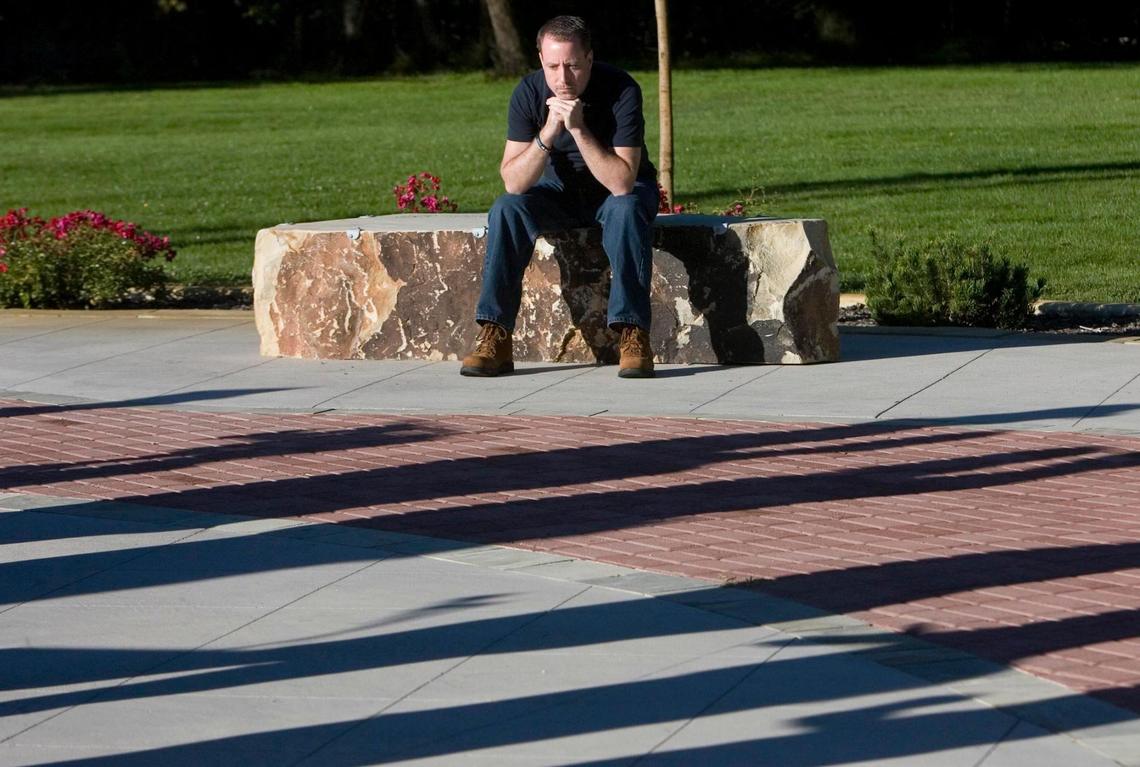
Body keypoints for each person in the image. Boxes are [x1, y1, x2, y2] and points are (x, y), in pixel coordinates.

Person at [461, 15, 659, 379]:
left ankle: (633, 334)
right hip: (557, 192)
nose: (563, 78)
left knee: (626, 209)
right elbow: (514, 182)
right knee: (507, 209)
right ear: (540, 60)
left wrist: (579, 128)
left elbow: (621, 182)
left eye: (572, 65)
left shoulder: (621, 89)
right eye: (553, 66)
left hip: (617, 190)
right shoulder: (529, 92)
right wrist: (549, 131)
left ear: (589, 58)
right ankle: (496, 334)